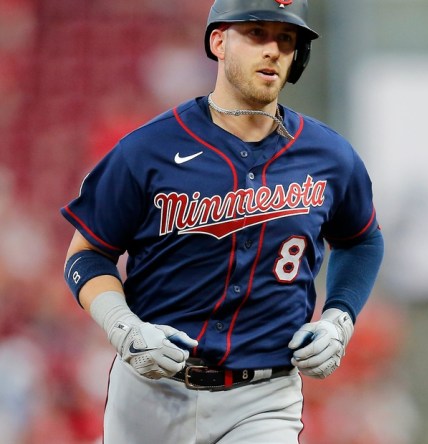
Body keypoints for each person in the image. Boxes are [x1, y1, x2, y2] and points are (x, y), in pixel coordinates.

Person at [60, 0, 384, 442]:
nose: (272, 49)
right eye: (256, 34)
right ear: (218, 41)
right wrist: (124, 327)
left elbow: (362, 240)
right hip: (152, 393)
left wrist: (339, 318)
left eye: (286, 39)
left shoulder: (329, 157)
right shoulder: (147, 149)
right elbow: (87, 254)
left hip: (264, 398)